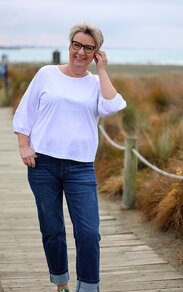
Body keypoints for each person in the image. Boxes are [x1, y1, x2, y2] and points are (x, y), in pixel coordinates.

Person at [13, 23, 126, 292]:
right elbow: (25, 113)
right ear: (69, 45)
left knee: (88, 232)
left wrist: (102, 71)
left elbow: (112, 106)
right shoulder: (47, 74)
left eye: (89, 48)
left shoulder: (96, 83)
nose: (80, 52)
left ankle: (87, 287)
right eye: (77, 45)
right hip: (42, 165)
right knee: (52, 229)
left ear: (96, 52)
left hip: (80, 168)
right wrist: (24, 146)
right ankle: (60, 283)